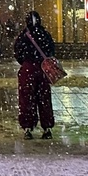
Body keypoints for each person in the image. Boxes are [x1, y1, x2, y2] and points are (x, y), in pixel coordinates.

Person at [14, 10, 57, 140]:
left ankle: (28, 127)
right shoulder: (45, 34)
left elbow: (18, 51)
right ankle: (47, 127)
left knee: (27, 99)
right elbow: (51, 50)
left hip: (28, 70)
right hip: (42, 70)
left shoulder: (24, 36)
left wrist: (26, 61)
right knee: (44, 98)